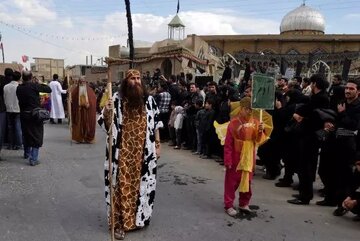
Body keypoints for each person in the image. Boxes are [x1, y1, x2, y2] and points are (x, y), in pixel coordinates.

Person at [98, 69, 163, 240]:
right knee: (121, 187)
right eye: (133, 78)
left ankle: (138, 220)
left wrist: (157, 145)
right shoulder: (117, 101)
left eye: (138, 78)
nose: (136, 81)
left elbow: (156, 124)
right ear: (126, 82)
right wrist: (106, 111)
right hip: (123, 154)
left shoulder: (149, 101)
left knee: (143, 187)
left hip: (144, 153)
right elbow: (105, 124)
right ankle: (120, 223)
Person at [223, 97, 271, 216]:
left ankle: (244, 203)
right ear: (241, 108)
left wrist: (260, 131)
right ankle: (228, 204)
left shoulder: (256, 121)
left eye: (251, 109)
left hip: (249, 156)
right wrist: (228, 159)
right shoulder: (233, 123)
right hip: (236, 156)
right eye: (246, 109)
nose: (249, 111)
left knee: (247, 182)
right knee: (232, 182)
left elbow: (258, 140)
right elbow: (228, 144)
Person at [16, 71, 51, 166]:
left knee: (26, 134)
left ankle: (26, 154)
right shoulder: (33, 86)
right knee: (37, 135)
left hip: (23, 114)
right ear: (31, 77)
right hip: (34, 114)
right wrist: (38, 82)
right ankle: (33, 159)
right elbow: (48, 89)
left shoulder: (19, 88)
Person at [70, 76, 97, 144]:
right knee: (79, 124)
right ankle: (79, 138)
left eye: (83, 82)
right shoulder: (75, 91)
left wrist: (89, 104)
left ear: (85, 82)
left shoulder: (90, 90)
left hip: (87, 111)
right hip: (79, 111)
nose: (82, 83)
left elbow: (93, 100)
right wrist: (75, 103)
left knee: (88, 123)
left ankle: (88, 138)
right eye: (81, 82)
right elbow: (73, 101)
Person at [3, 71, 22, 150]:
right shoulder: (19, 86)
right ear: (19, 78)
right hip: (17, 108)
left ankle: (10, 144)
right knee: (18, 127)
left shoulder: (6, 86)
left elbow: (4, 97)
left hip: (8, 109)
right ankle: (18, 144)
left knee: (10, 127)